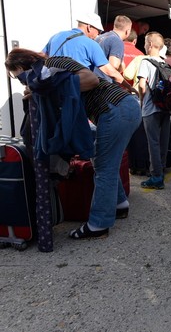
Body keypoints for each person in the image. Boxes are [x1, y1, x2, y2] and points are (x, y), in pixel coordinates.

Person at [5, 49, 141, 239]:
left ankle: (98, 225)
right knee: (101, 160)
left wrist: (48, 89)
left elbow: (90, 79)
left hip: (115, 109)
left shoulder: (54, 63)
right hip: (120, 109)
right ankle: (119, 204)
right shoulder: (48, 73)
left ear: (20, 67)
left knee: (104, 168)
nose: (21, 81)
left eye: (17, 76)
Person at [43, 12, 135, 93]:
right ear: (89, 27)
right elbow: (110, 71)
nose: (98, 34)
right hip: (72, 92)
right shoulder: (90, 43)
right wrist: (129, 87)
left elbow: (41, 57)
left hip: (50, 89)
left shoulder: (56, 36)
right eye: (98, 31)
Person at [137, 32, 171, 189]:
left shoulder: (146, 62)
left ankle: (156, 176)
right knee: (163, 142)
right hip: (166, 108)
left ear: (150, 45)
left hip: (151, 108)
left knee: (153, 143)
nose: (144, 46)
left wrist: (141, 101)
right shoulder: (166, 63)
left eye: (145, 43)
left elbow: (142, 86)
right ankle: (161, 170)